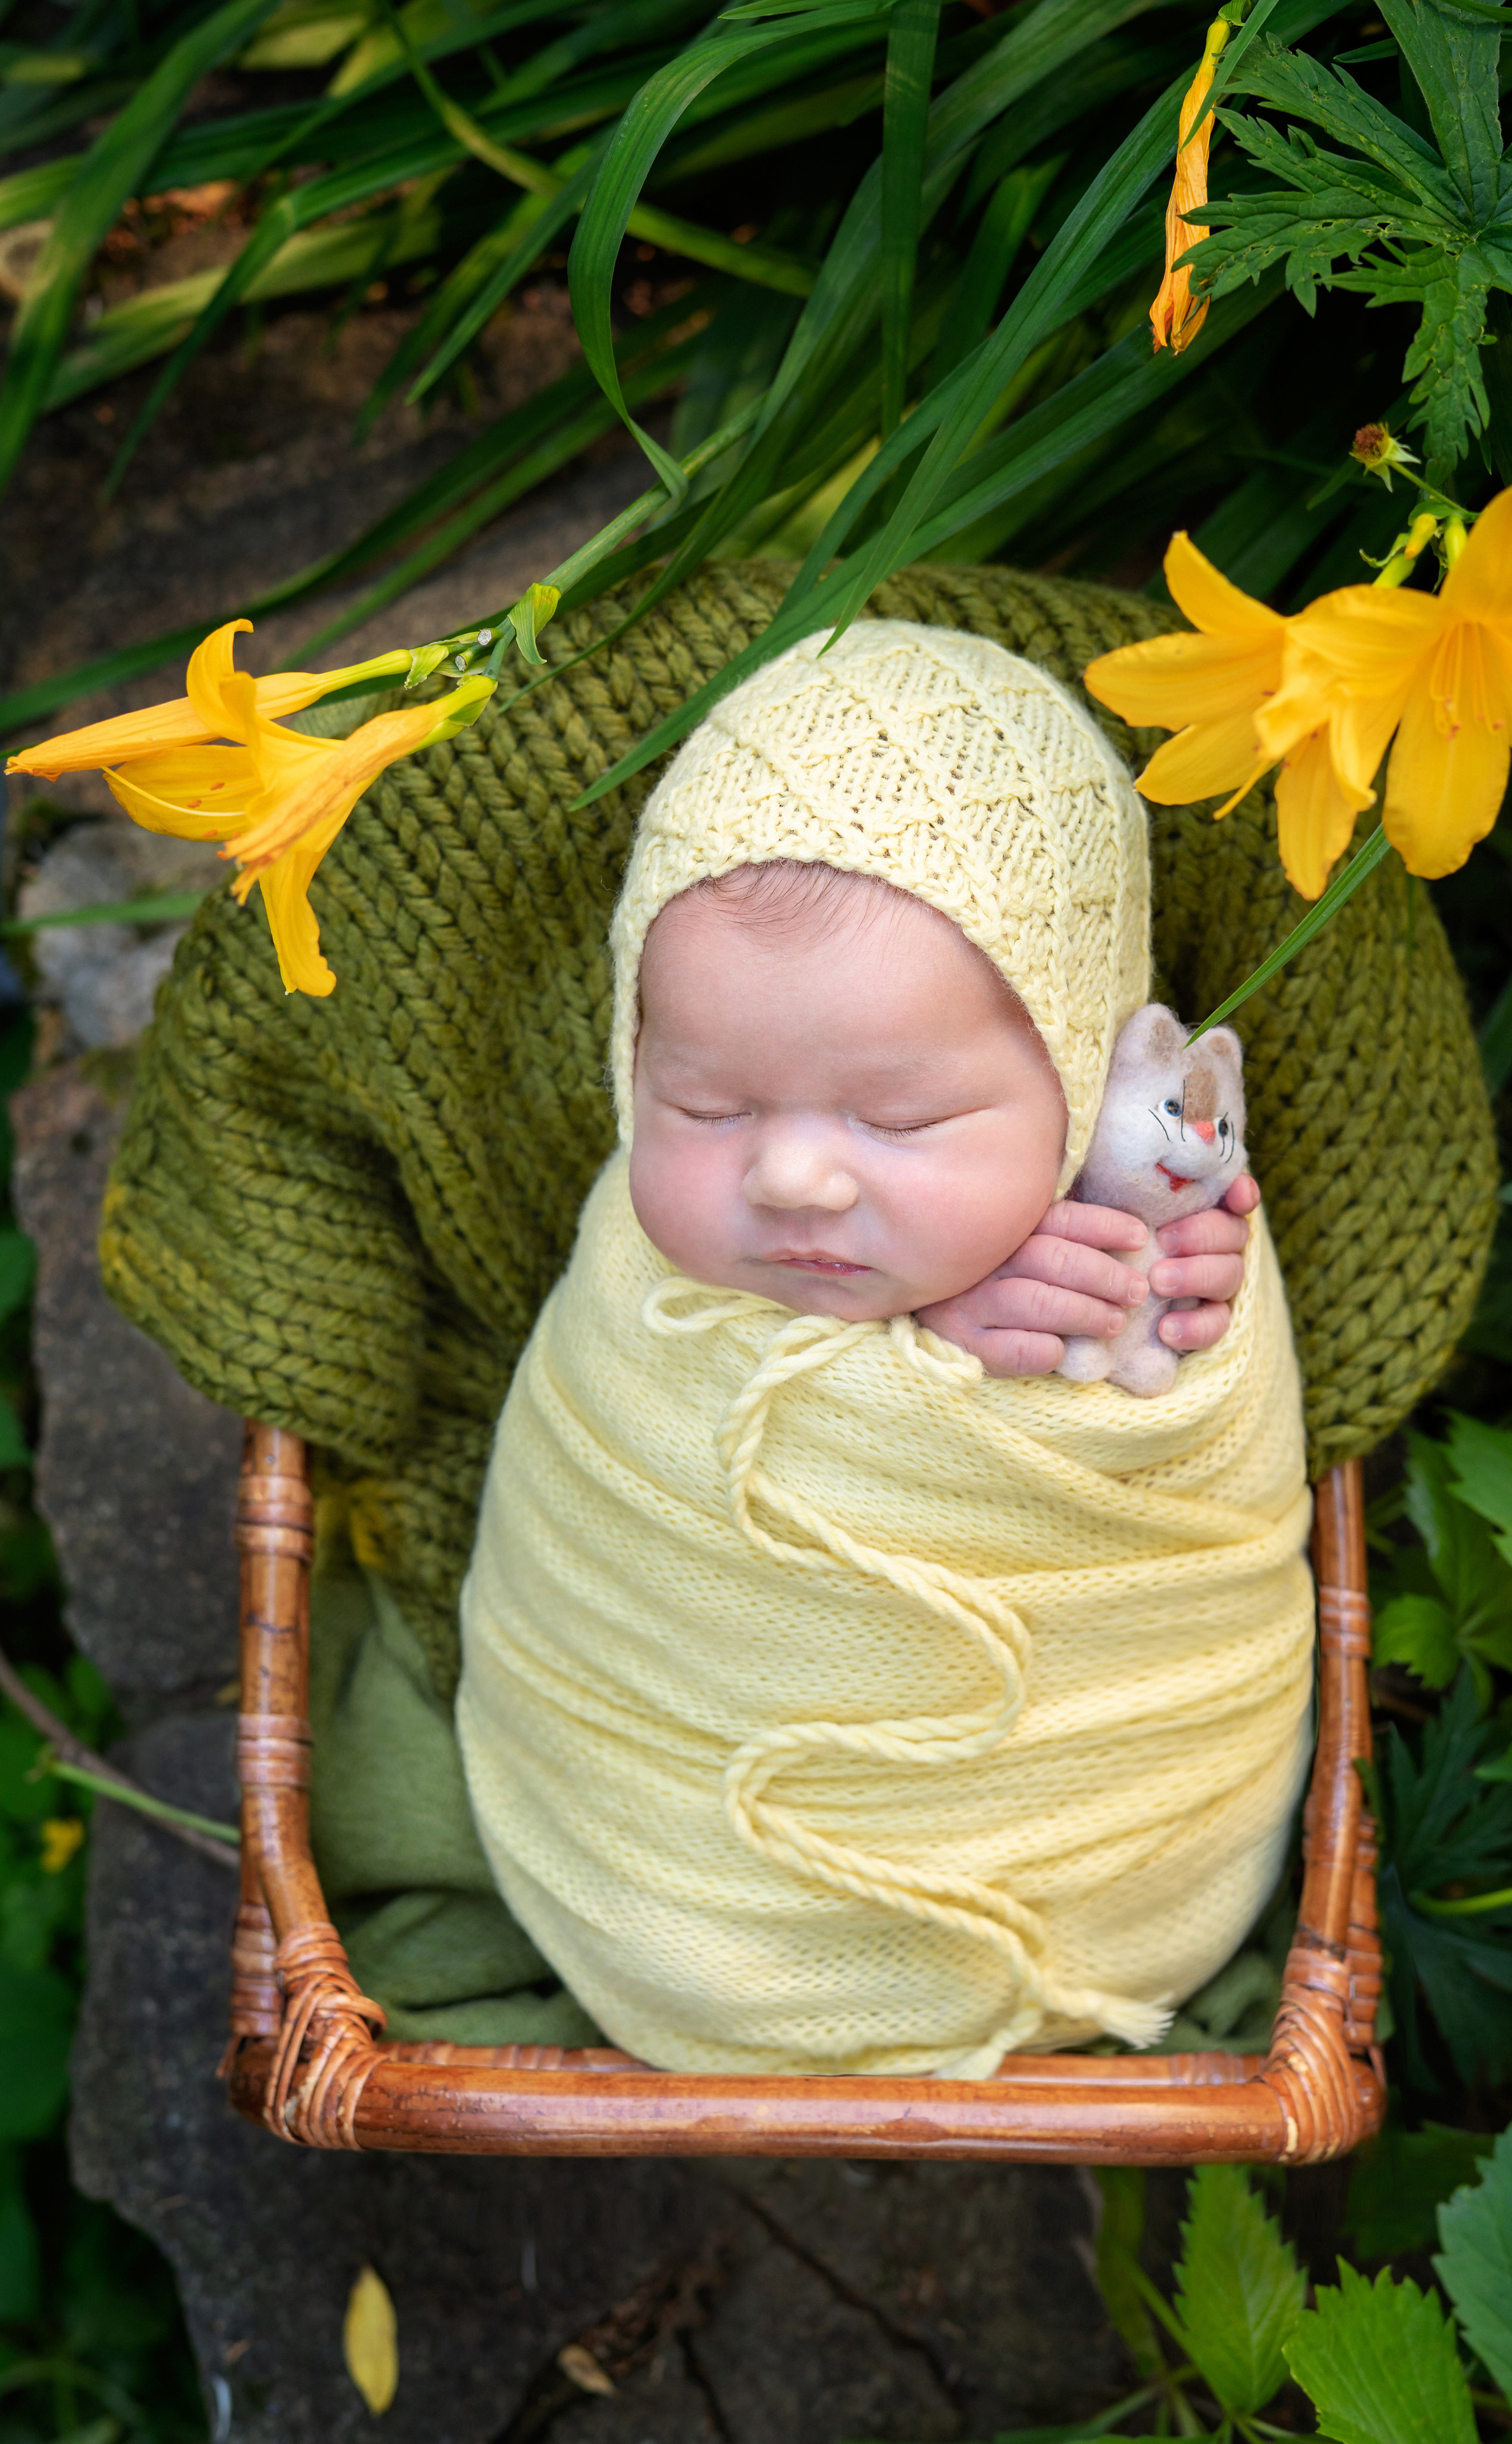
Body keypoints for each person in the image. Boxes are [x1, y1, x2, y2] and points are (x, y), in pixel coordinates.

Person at [457, 620, 1313, 2079]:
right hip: (661, 1884)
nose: (791, 1181)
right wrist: (913, 1344)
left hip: (1106, 1907)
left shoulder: (1121, 1212)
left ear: (1080, 1064)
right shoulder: (640, 1261)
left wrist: (1165, 1304)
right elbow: (638, 1432)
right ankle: (751, 1961)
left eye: (900, 1123)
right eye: (707, 1109)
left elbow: (1186, 1454)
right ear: (629, 1063)